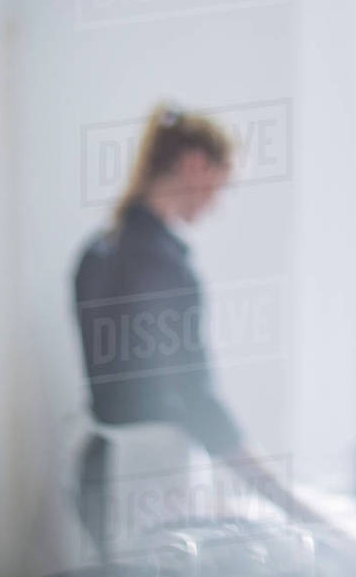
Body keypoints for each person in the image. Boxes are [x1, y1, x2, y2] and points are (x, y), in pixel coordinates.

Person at [72, 103, 323, 553]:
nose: (218, 204)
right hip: (153, 477)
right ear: (195, 165)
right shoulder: (161, 265)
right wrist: (295, 507)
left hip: (100, 473)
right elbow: (195, 397)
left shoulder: (97, 253)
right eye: (222, 184)